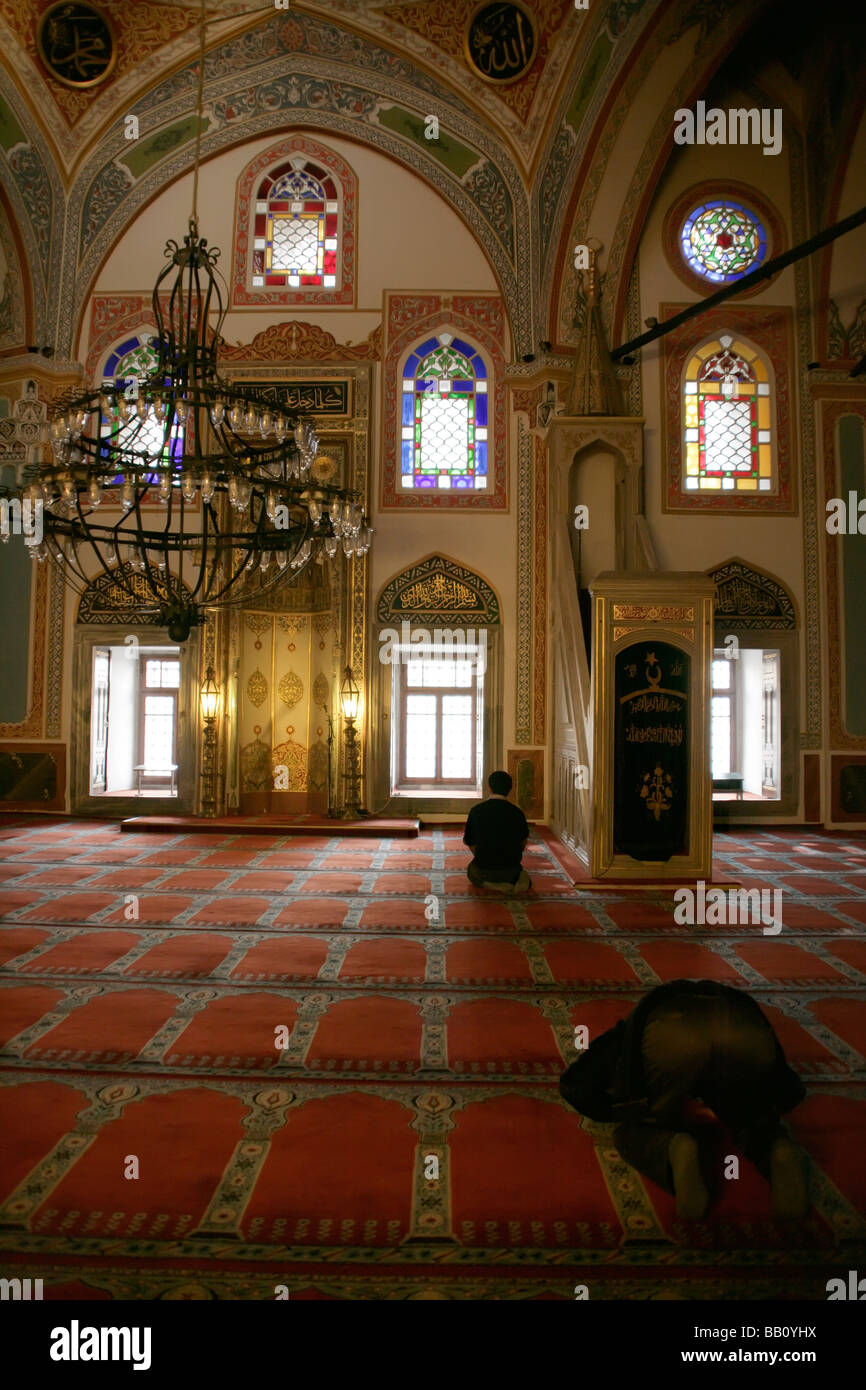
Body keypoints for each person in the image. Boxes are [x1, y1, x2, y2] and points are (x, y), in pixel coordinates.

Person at [559, 979, 808, 1220]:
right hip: (744, 1029)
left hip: (671, 1035)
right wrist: (744, 1112)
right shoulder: (742, 1004)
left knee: (631, 1132)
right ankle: (775, 1147)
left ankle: (672, 1149)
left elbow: (575, 1087)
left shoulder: (635, 1025)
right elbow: (791, 1091)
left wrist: (631, 1112)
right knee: (749, 1115)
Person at [463, 769, 532, 893]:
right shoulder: (517, 813)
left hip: (484, 871)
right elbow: (523, 842)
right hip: (511, 871)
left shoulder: (476, 811)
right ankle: (517, 883)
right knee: (522, 873)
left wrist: (484, 858)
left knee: (471, 871)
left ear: (489, 788)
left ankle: (489, 884)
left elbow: (470, 841)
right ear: (510, 790)